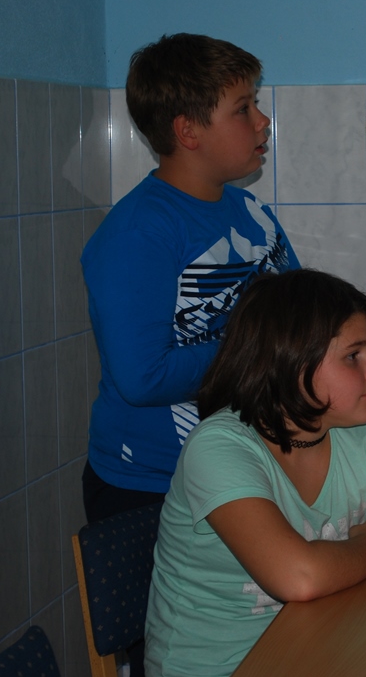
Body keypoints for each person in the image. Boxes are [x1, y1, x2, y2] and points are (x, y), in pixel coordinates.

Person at [144, 269, 366, 677]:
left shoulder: (357, 436)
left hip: (317, 652)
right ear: (290, 362)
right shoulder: (219, 447)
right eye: (353, 356)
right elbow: (298, 577)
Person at [80, 33, 300, 525]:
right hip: (152, 486)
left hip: (244, 470)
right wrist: (260, 350)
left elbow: (301, 320)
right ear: (188, 131)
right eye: (243, 109)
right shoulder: (139, 233)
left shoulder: (252, 213)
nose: (262, 121)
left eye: (255, 104)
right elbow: (144, 378)